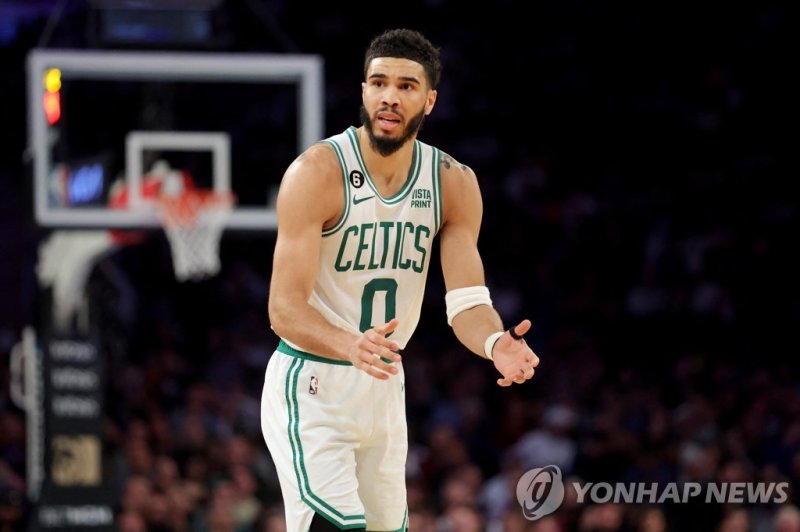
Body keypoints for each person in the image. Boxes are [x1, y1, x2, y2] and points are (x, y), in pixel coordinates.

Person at [261, 28, 540, 531]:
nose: (390, 95)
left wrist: (496, 342)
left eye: (407, 86)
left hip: (384, 388)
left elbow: (467, 303)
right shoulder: (317, 173)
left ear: (429, 99)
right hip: (313, 383)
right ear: (364, 90)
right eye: (379, 82)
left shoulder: (453, 182)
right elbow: (284, 309)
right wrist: (349, 344)